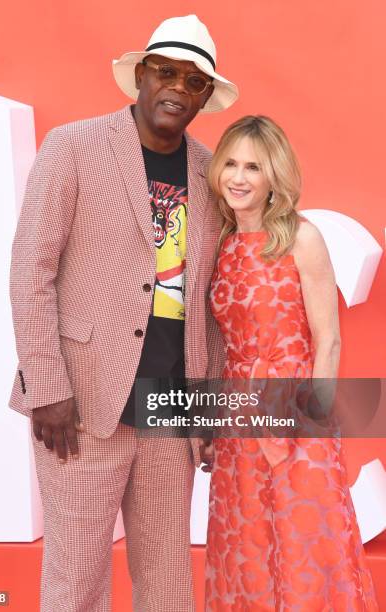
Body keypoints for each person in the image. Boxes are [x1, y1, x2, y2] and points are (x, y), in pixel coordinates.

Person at [8, 14, 237, 612]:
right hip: (80, 405)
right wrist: (47, 388)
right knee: (76, 576)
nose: (176, 89)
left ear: (206, 96)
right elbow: (31, 273)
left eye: (193, 82)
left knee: (167, 579)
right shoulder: (74, 145)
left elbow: (210, 305)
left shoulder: (211, 173)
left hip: (171, 408)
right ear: (140, 74)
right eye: (166, 72)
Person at [203, 116, 378, 610]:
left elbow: (329, 341)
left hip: (297, 415)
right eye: (231, 164)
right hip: (238, 417)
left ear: (274, 175)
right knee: (247, 540)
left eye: (253, 167)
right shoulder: (221, 243)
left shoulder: (302, 239)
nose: (238, 177)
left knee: (305, 542)